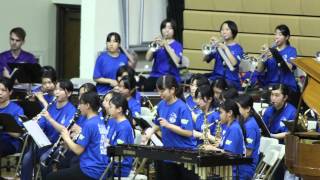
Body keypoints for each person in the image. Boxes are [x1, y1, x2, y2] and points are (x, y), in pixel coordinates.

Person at [142, 75, 197, 180]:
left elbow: (189, 132)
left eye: (162, 91)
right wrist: (149, 133)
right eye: (158, 91)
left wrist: (169, 125)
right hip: (169, 153)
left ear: (172, 90)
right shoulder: (161, 105)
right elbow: (158, 123)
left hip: (184, 155)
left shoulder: (182, 107)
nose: (160, 94)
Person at [21, 80, 76, 180]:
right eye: (56, 89)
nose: (57, 92)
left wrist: (50, 118)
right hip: (45, 143)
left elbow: (65, 130)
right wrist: (36, 123)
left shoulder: (71, 110)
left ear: (69, 93)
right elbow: (42, 124)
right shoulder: (51, 106)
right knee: (27, 158)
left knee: (44, 160)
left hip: (59, 146)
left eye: (60, 90)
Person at [46, 92, 109, 180]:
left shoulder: (89, 124)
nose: (79, 106)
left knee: (51, 177)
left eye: (81, 103)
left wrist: (66, 137)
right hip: (99, 168)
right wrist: (68, 143)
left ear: (87, 105)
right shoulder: (99, 121)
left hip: (90, 170)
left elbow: (78, 150)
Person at [256, 24, 299, 105]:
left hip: (286, 85)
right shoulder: (270, 50)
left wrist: (276, 55)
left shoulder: (291, 50)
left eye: (280, 34)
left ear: (287, 37)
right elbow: (259, 69)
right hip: (271, 85)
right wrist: (262, 56)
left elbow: (290, 67)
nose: (276, 37)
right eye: (275, 34)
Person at [204, 99, 245, 179]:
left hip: (231, 173)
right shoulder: (229, 127)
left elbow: (229, 154)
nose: (219, 116)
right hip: (226, 169)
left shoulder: (234, 129)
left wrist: (212, 148)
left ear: (229, 113)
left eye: (221, 112)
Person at [203, 20, 244, 90]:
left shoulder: (238, 48)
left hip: (230, 80)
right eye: (222, 30)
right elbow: (205, 59)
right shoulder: (217, 46)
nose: (224, 32)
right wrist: (210, 47)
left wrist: (225, 48)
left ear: (233, 32)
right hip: (216, 78)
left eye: (227, 29)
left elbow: (234, 63)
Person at [144, 19, 184, 91]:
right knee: (147, 85)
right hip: (155, 76)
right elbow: (148, 58)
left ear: (174, 31)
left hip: (171, 76)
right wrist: (153, 45)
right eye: (164, 28)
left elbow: (177, 61)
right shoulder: (158, 44)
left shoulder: (177, 45)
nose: (166, 30)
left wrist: (166, 45)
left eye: (170, 28)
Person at [107, 93, 135, 177]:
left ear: (119, 109)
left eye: (111, 106)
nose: (108, 108)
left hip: (120, 167)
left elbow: (117, 153)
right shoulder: (115, 122)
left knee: (90, 169)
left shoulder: (124, 128)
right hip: (112, 163)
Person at [236, 95, 261, 179]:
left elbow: (248, 153)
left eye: (238, 108)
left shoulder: (250, 126)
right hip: (240, 163)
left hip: (246, 167)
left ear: (247, 109)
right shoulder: (243, 122)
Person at [0, 77, 24, 158]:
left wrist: (2, 127)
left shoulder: (17, 110)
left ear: (10, 92)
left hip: (10, 143)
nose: (0, 93)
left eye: (3, 90)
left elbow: (17, 134)